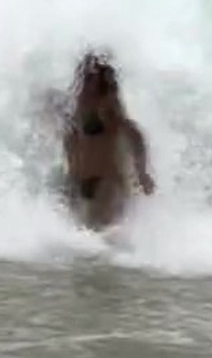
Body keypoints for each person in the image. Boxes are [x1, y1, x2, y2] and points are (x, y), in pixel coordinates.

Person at [63, 53, 155, 229]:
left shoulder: (108, 105)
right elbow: (69, 136)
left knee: (101, 233)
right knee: (76, 234)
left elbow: (133, 133)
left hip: (107, 183)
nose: (86, 80)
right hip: (78, 180)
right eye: (85, 75)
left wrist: (142, 172)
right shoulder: (76, 104)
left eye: (92, 75)